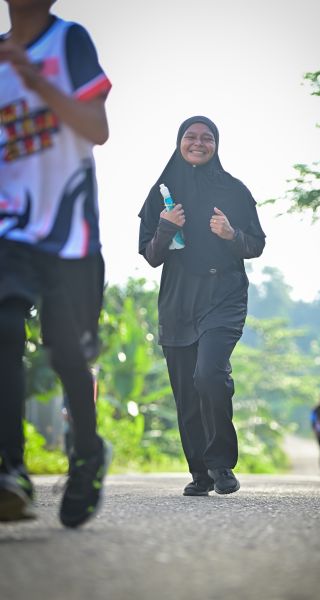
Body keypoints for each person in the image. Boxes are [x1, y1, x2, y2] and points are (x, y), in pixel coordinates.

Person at [0, 0, 112, 527]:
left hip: (69, 232)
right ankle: (11, 469)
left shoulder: (69, 41)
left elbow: (97, 128)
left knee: (67, 353)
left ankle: (87, 451)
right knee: (4, 327)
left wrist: (37, 83)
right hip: (10, 228)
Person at [138, 115, 266, 496]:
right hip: (178, 299)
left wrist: (231, 234)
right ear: (179, 142)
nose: (198, 143)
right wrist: (166, 226)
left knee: (209, 374)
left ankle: (221, 463)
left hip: (224, 294)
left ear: (216, 144)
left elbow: (256, 244)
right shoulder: (161, 193)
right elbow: (150, 256)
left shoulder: (235, 191)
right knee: (186, 391)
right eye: (190, 137)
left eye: (206, 137)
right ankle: (200, 473)